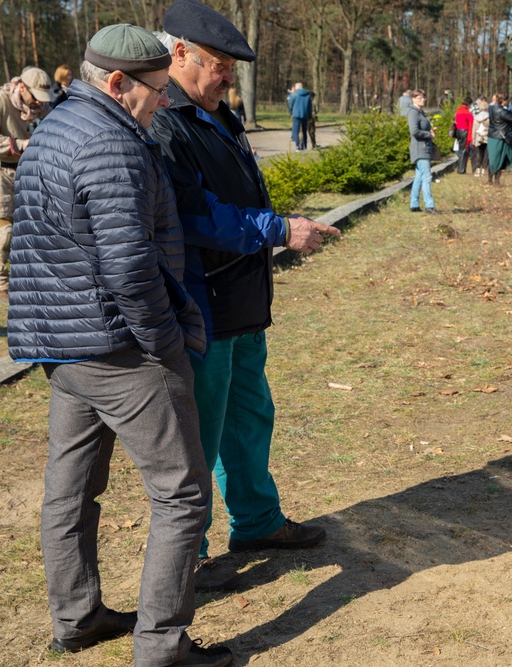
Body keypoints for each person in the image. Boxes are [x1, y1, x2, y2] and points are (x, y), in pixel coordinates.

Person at [8, 23, 232, 667]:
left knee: (71, 490)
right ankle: (162, 647)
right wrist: (166, 344)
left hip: (63, 348)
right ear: (115, 82)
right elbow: (130, 265)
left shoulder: (56, 127)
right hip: (117, 348)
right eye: (157, 89)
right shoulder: (111, 143)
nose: (164, 101)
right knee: (183, 493)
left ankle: (77, 618)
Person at [151, 0, 341, 590]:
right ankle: (192, 552)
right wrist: (278, 230)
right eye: (219, 64)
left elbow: (244, 193)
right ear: (179, 53)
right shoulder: (164, 120)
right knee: (199, 438)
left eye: (232, 66)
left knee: (250, 417)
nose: (229, 76)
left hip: (241, 304)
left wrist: (274, 223)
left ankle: (256, 521)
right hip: (201, 307)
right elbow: (192, 215)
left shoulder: (218, 113)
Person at [0, 66, 51, 305]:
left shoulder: (41, 106)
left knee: (31, 227)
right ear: (22, 87)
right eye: (34, 97)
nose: (38, 103)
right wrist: (19, 144)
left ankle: (25, 278)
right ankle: (0, 282)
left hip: (28, 169)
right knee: (4, 230)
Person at [407, 89, 437, 212]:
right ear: (413, 99)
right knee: (427, 177)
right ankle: (429, 206)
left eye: (423, 97)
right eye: (419, 97)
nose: (422, 99)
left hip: (424, 147)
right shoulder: (413, 112)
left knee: (419, 177)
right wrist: (428, 135)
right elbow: (414, 131)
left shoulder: (420, 112)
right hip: (420, 148)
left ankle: (414, 204)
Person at [486, 92, 512, 185]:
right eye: (506, 100)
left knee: (492, 158)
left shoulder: (491, 108)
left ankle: (490, 180)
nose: (508, 101)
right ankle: (496, 181)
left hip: (492, 135)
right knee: (499, 159)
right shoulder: (501, 111)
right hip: (500, 137)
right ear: (503, 101)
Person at [287, 81, 312, 150]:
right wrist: (310, 116)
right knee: (304, 131)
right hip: (305, 115)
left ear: (296, 88)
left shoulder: (294, 95)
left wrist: (291, 112)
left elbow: (290, 104)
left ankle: (297, 146)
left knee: (296, 131)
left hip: (296, 115)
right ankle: (304, 145)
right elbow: (310, 107)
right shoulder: (307, 96)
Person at [453, 96, 473, 173]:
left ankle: (461, 168)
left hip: (458, 131)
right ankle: (461, 169)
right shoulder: (466, 111)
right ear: (468, 104)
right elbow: (472, 120)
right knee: (464, 150)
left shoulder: (458, 110)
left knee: (461, 150)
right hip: (464, 131)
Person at [471, 96, 490, 177]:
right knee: (486, 153)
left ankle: (477, 169)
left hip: (478, 137)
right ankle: (484, 169)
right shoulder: (490, 117)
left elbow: (474, 128)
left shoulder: (476, 117)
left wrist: (473, 137)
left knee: (478, 153)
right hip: (487, 137)